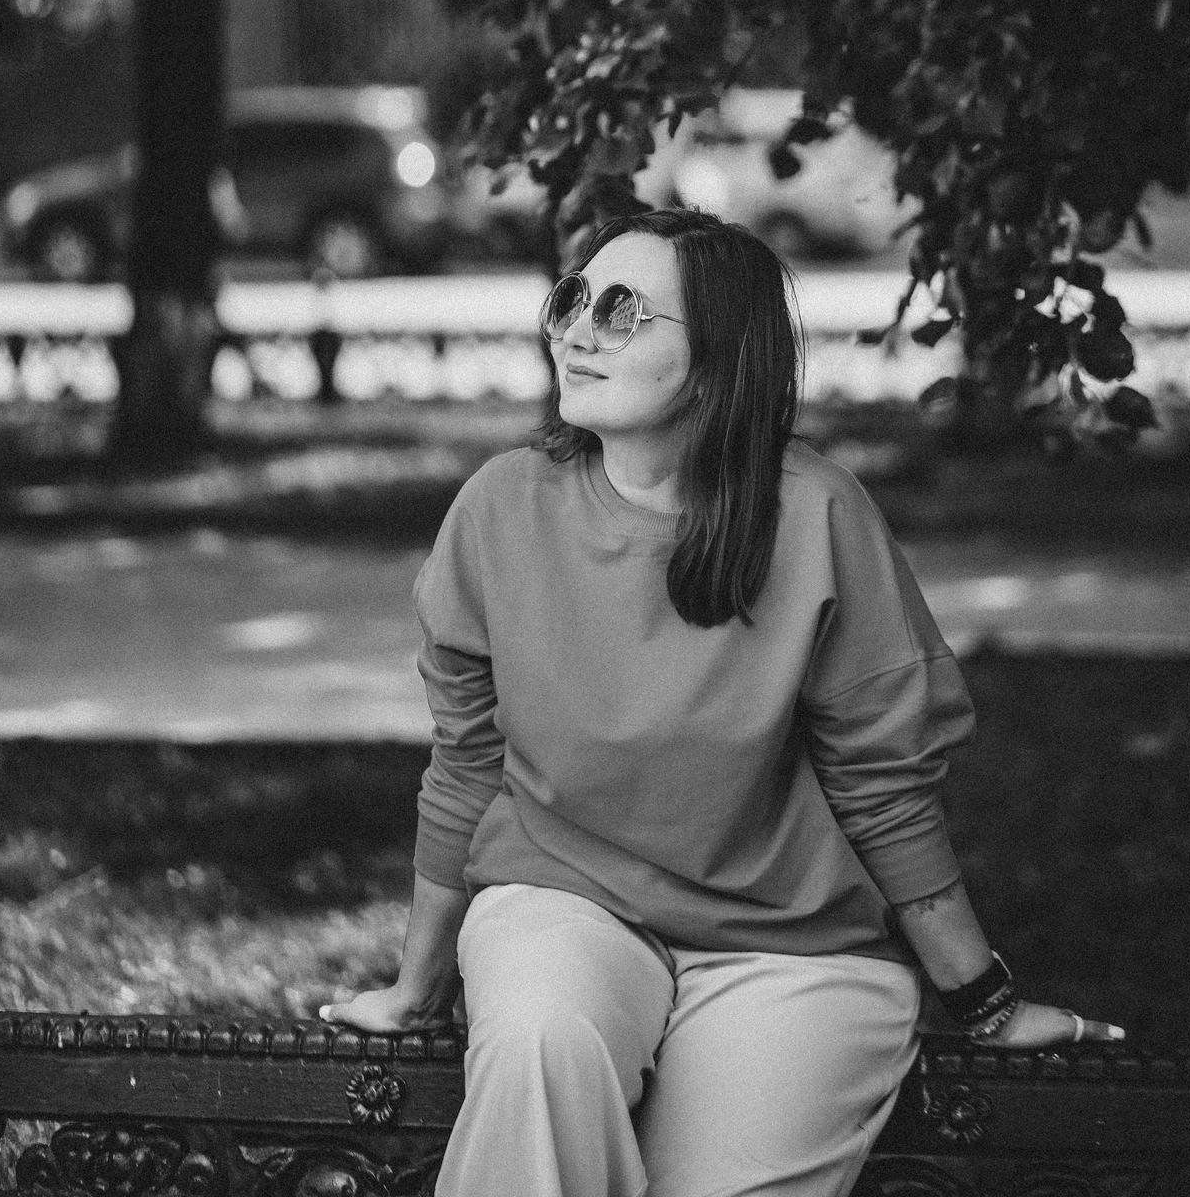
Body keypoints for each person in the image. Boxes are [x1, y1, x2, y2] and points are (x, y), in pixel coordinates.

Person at [322, 206, 1124, 1197]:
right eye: (573, 301)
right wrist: (416, 989)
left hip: (794, 949)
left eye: (621, 311)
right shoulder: (500, 507)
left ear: (716, 358)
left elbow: (884, 787)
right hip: (563, 900)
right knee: (541, 1043)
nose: (576, 333)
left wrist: (984, 1000)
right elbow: (466, 762)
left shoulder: (817, 515)